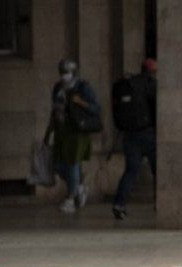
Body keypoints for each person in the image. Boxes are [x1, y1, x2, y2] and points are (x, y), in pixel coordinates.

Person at [43, 59, 101, 214]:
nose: (64, 76)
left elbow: (96, 108)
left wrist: (80, 102)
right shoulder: (58, 88)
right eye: (62, 72)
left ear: (74, 73)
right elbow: (54, 111)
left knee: (72, 163)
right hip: (62, 132)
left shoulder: (83, 87)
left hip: (77, 131)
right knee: (58, 165)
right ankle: (79, 186)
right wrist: (48, 132)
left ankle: (70, 198)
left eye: (67, 72)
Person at [111, 58, 157, 221]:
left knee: (130, 171)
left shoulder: (128, 85)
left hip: (129, 135)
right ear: (152, 70)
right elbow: (156, 108)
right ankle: (160, 203)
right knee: (157, 171)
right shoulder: (150, 84)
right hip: (148, 134)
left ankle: (119, 204)